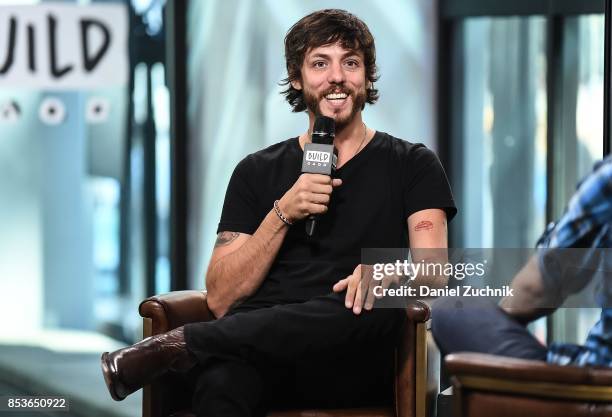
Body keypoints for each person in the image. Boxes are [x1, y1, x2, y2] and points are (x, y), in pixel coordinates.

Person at [101, 9, 456, 415]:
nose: (337, 76)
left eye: (351, 63)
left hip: (350, 346)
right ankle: (197, 346)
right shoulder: (256, 171)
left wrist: (390, 271)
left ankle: (181, 344)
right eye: (320, 63)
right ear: (296, 78)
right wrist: (282, 211)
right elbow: (219, 296)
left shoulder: (412, 163)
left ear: (367, 77)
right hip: (258, 352)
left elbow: (435, 271)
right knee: (221, 384)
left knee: (371, 305)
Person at [432, 156, 612, 367]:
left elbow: (535, 291)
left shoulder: (606, 178)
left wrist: (499, 325)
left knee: (452, 308)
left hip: (598, 377)